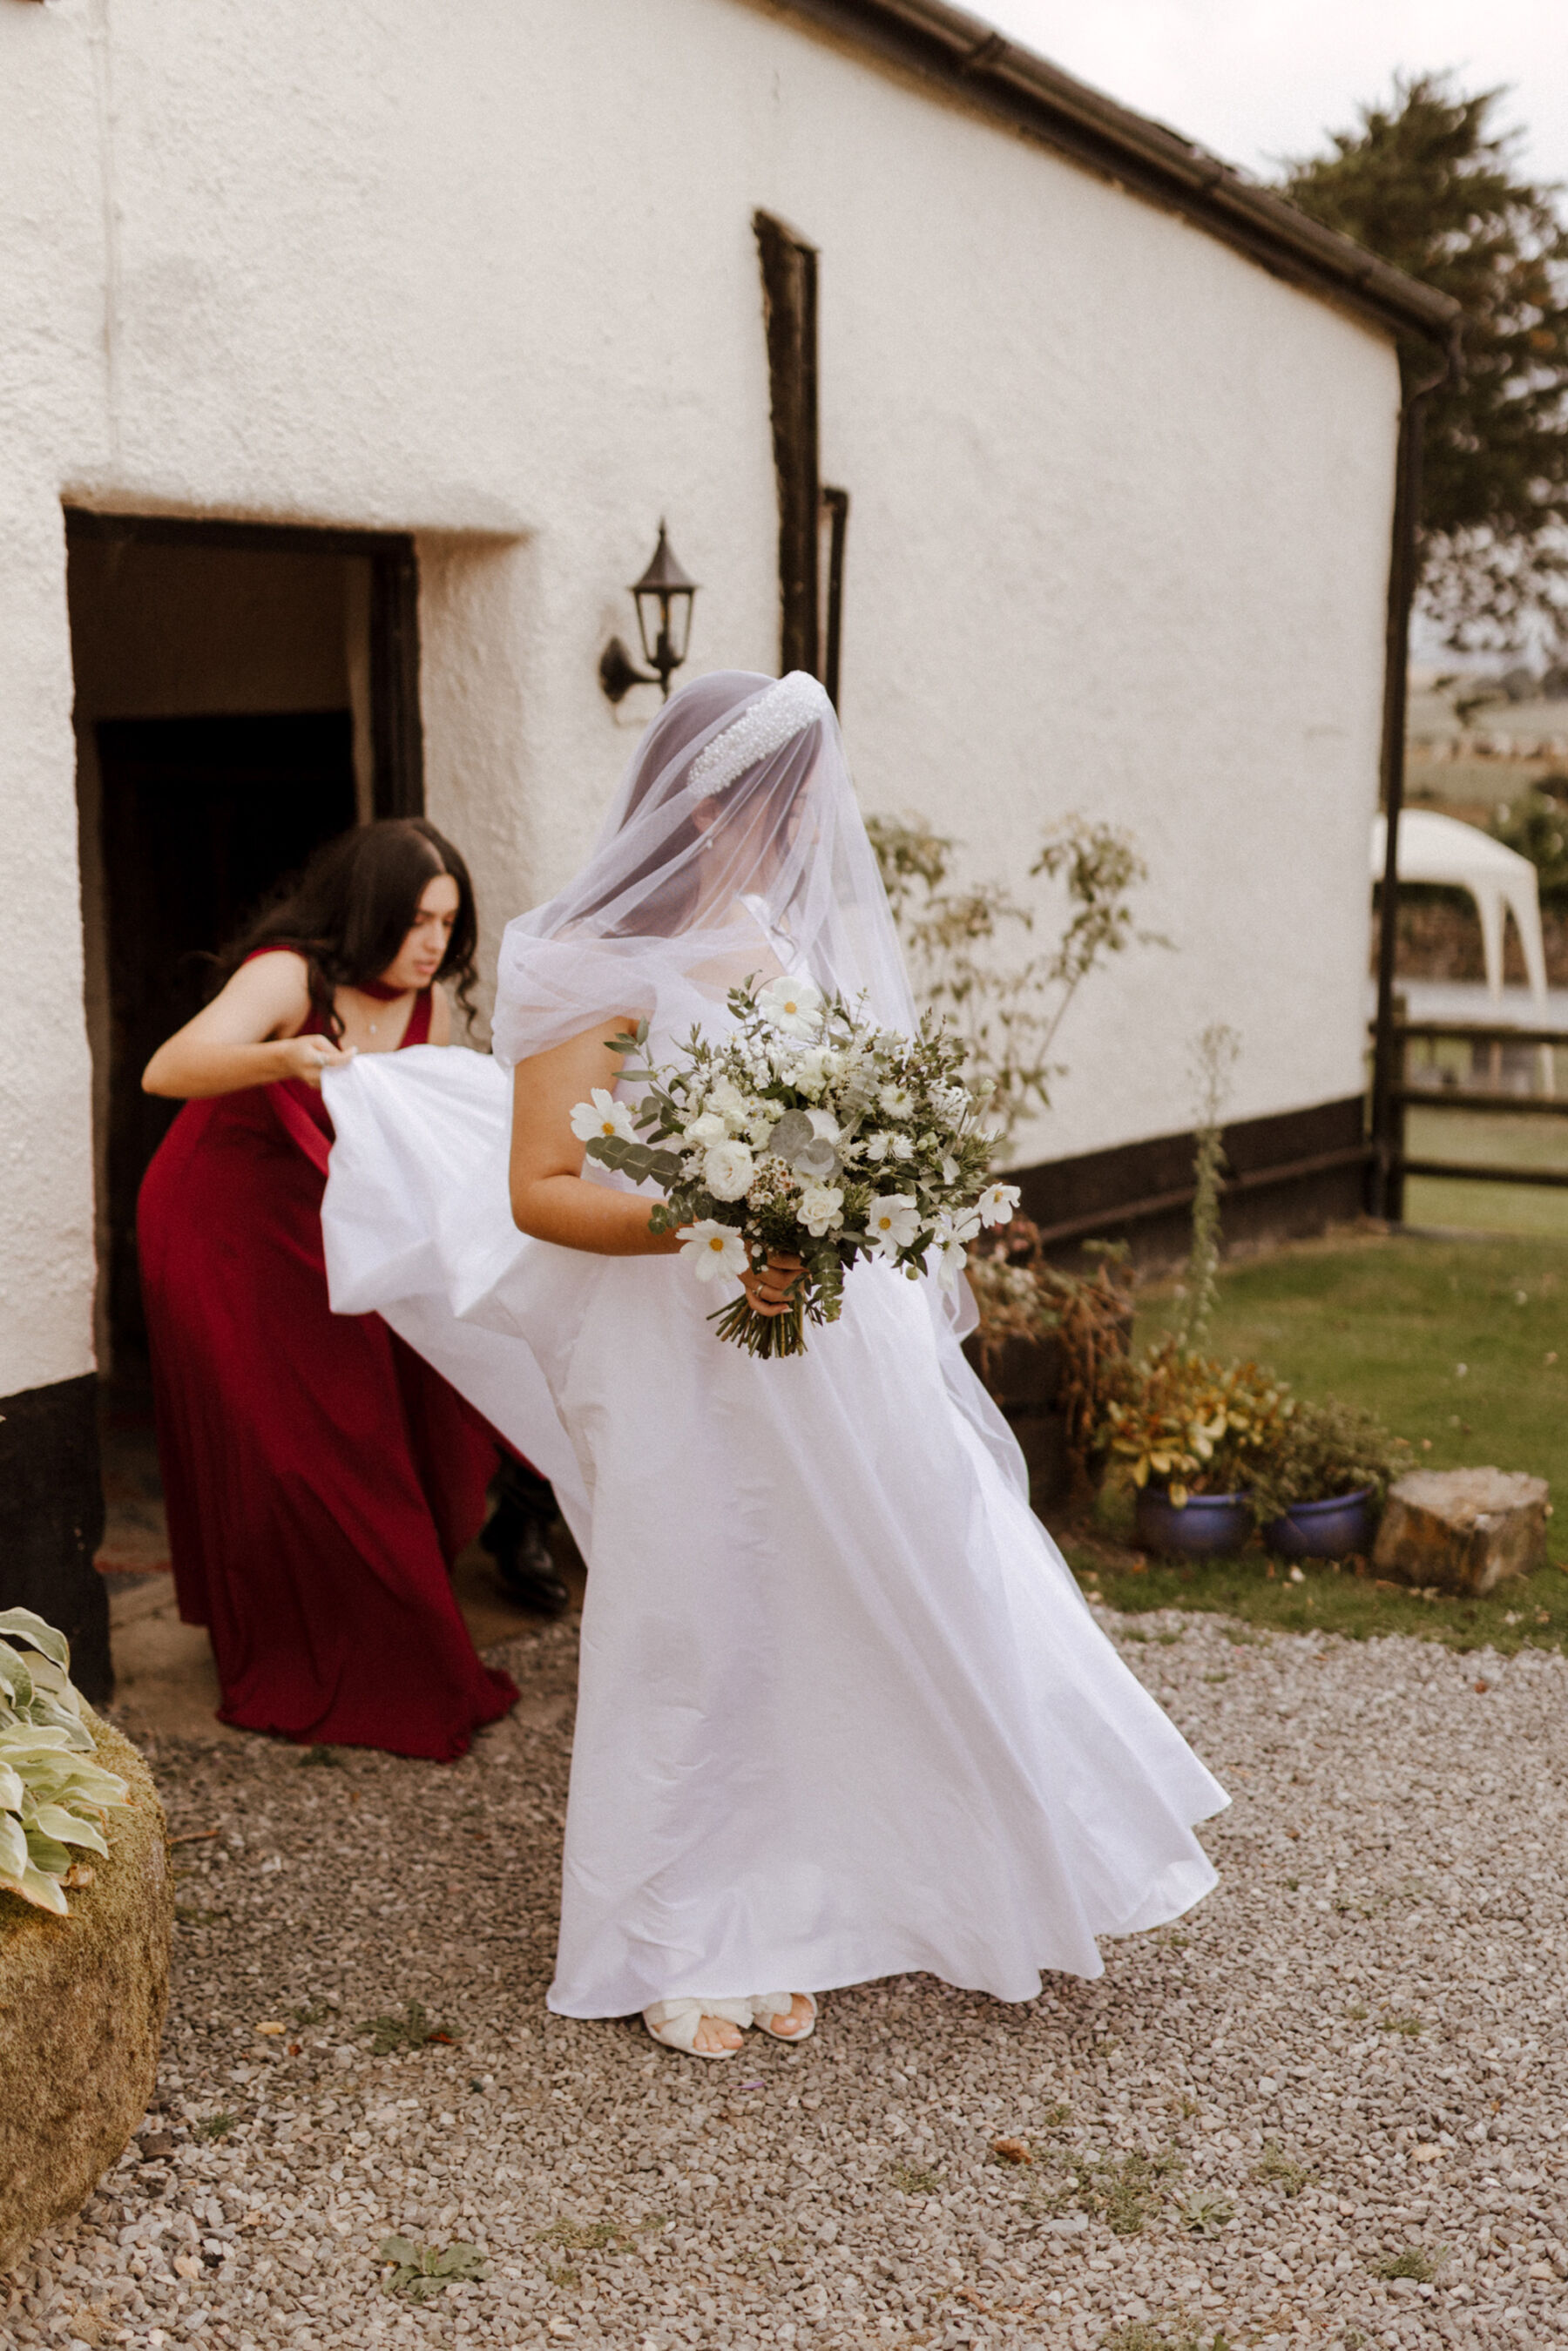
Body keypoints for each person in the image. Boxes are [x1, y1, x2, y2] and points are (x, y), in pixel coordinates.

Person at [321, 676, 1227, 2051]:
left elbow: (824, 1130)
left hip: (820, 1340)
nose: (806, 827)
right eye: (782, 799)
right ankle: (681, 1926)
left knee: (842, 1593)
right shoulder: (597, 957)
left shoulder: (773, 942)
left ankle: (814, 1893)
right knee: (695, 1607)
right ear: (705, 803)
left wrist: (849, 1199)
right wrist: (721, 1217)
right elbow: (542, 1185)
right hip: (672, 1341)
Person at [139, 817, 549, 1760]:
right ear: (367, 912)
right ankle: (286, 1645)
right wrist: (282, 1055)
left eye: (448, 920)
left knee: (364, 1433)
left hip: (332, 1224)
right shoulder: (291, 974)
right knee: (280, 1444)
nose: (433, 941)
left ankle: (384, 1642)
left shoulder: (430, 1009)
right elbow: (171, 1068)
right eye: (414, 920)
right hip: (219, 1217)